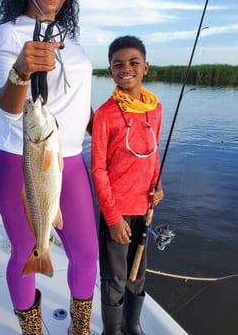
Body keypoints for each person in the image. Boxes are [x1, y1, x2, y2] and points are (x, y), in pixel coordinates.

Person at [0, 0, 98, 335]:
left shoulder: (73, 41)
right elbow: (7, 106)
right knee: (25, 251)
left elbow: (77, 102)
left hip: (71, 161)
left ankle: (79, 329)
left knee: (87, 255)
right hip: (21, 160)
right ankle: (32, 331)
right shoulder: (8, 36)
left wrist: (101, 131)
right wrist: (20, 71)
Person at [91, 35, 164, 335]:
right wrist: (112, 218)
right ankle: (112, 330)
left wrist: (157, 184)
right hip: (117, 213)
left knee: (138, 273)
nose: (126, 69)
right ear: (110, 70)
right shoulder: (105, 114)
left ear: (145, 67)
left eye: (134, 63)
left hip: (143, 209)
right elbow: (98, 170)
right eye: (118, 64)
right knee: (115, 277)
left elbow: (153, 151)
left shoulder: (154, 109)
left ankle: (131, 323)